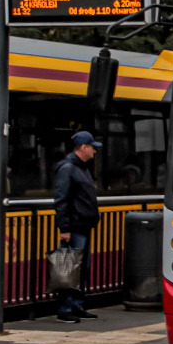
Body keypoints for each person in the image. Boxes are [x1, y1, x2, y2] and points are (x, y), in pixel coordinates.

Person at [52, 131, 102, 323]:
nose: (94, 152)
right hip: (74, 227)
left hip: (83, 226)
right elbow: (61, 200)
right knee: (70, 269)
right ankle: (65, 308)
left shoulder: (81, 168)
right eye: (92, 147)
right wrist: (64, 228)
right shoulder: (69, 169)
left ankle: (77, 305)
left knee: (81, 269)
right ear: (83, 148)